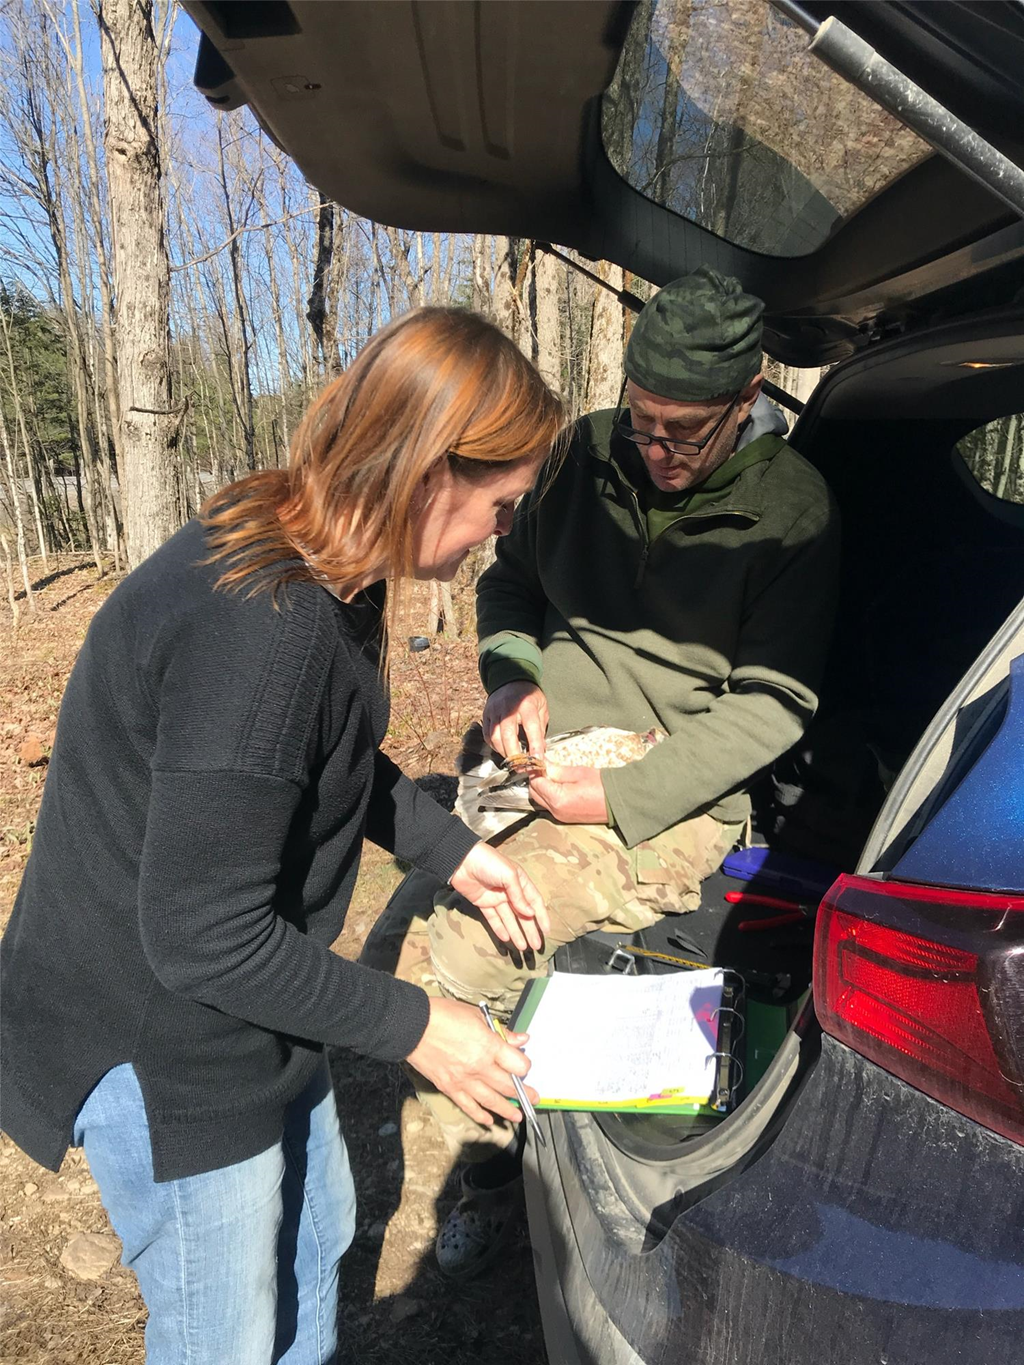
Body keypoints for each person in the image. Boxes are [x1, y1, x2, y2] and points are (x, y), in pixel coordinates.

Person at [0, 307, 565, 1364]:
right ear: (430, 468)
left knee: (314, 1250)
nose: (502, 531)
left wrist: (455, 853)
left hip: (250, 1011)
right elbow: (203, 936)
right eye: (500, 503)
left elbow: (329, 758)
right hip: (165, 1040)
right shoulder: (264, 627)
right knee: (225, 1334)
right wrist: (419, 1026)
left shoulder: (318, 555)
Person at [391, 266, 840, 1276]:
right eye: (642, 422)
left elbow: (776, 702)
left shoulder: (789, 505)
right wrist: (511, 682)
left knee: (476, 944)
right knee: (433, 879)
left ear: (748, 398)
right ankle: (515, 1124)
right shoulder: (578, 456)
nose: (657, 450)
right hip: (539, 749)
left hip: (672, 784)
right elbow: (509, 587)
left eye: (686, 430)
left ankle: (490, 1175)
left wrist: (623, 796)